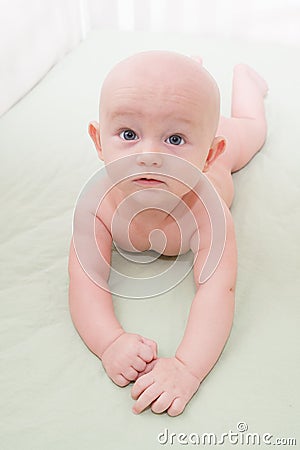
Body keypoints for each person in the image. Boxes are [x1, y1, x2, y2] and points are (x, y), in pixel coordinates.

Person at [68, 50, 268, 416]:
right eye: (128, 134)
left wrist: (186, 368)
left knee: (252, 126)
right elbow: (86, 280)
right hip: (190, 120)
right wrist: (109, 342)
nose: (148, 155)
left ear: (208, 153)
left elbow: (216, 290)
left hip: (223, 150)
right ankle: (189, 77)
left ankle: (246, 79)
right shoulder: (97, 205)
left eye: (174, 140)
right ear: (98, 142)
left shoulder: (208, 213)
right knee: (170, 100)